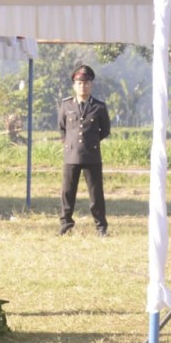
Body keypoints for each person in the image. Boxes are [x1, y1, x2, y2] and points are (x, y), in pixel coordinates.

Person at [59, 65, 111, 236]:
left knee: (96, 194)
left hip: (92, 155)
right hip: (71, 155)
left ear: (91, 85)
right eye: (80, 83)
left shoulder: (99, 107)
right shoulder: (67, 105)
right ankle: (66, 225)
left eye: (87, 83)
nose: (83, 86)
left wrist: (92, 142)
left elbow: (105, 130)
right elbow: (62, 128)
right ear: (74, 85)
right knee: (67, 193)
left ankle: (101, 227)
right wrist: (70, 144)